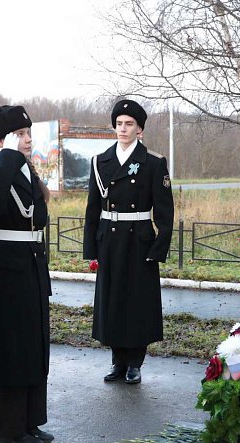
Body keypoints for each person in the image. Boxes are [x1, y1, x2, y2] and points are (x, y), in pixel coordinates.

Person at [0, 105, 53, 443]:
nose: (28, 139)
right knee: (9, 348)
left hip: (29, 263)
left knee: (32, 345)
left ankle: (28, 420)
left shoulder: (23, 170)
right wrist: (8, 156)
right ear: (0, 141)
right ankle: (6, 431)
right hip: (4, 269)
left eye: (28, 132)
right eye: (20, 134)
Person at [83, 99, 174, 385]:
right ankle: (117, 361)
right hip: (109, 239)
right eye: (119, 124)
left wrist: (159, 247)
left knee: (137, 303)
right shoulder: (100, 161)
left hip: (139, 241)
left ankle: (135, 362)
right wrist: (91, 247)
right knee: (112, 301)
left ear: (139, 130)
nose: (123, 129)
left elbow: (165, 211)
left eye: (129, 124)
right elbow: (92, 208)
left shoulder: (153, 162)